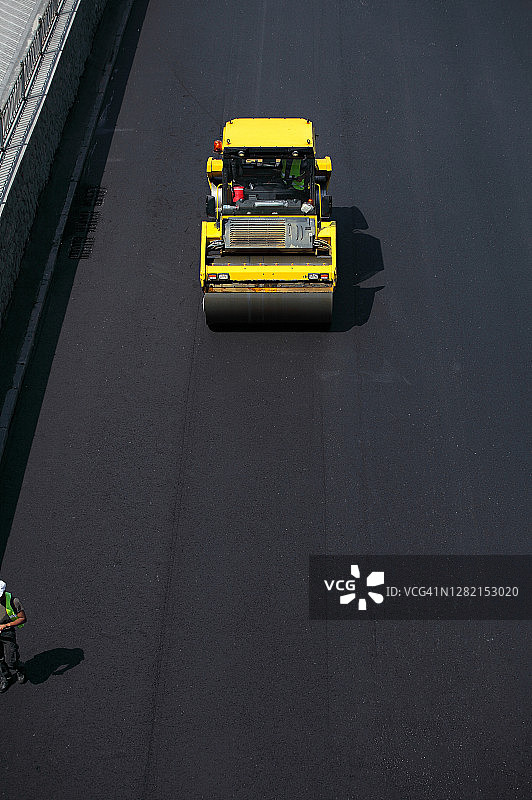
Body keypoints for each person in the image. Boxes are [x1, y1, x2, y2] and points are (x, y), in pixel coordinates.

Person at [0, 580, 26, 690]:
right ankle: (6, 677)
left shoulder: (13, 602)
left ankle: (19, 668)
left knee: (11, 660)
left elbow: (22, 618)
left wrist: (6, 625)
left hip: (7, 633)